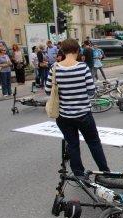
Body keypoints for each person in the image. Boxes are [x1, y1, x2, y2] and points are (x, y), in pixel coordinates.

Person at [45, 38, 110, 177]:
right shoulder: (82, 67)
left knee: (73, 145)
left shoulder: (54, 68)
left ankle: (79, 175)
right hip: (83, 114)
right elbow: (92, 91)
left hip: (63, 116)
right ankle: (105, 172)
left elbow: (47, 90)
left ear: (62, 50)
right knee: (94, 143)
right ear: (77, 51)